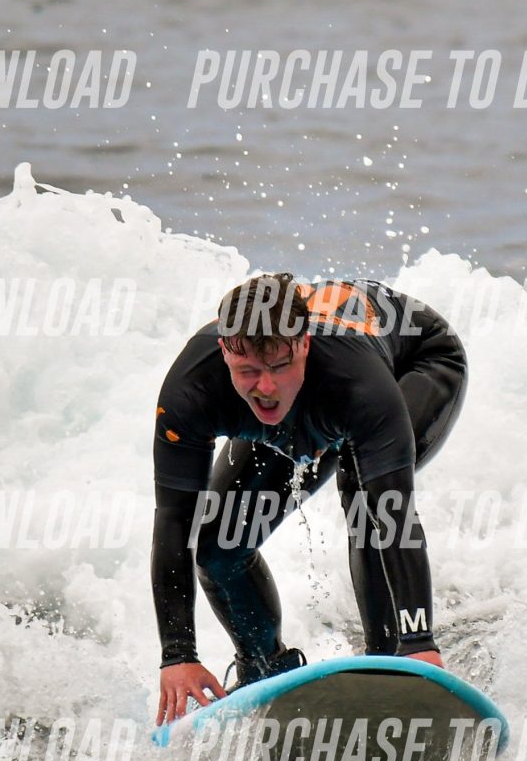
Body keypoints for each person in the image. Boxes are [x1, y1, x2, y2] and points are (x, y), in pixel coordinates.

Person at [151, 272, 467, 725]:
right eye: (248, 371)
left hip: (416, 363)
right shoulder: (193, 388)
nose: (265, 388)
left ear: (303, 344)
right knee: (218, 545)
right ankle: (264, 669)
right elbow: (174, 519)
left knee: (363, 491)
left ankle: (391, 665)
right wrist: (178, 655)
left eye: (280, 366)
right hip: (319, 392)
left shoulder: (356, 382)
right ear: (225, 352)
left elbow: (392, 512)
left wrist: (420, 644)